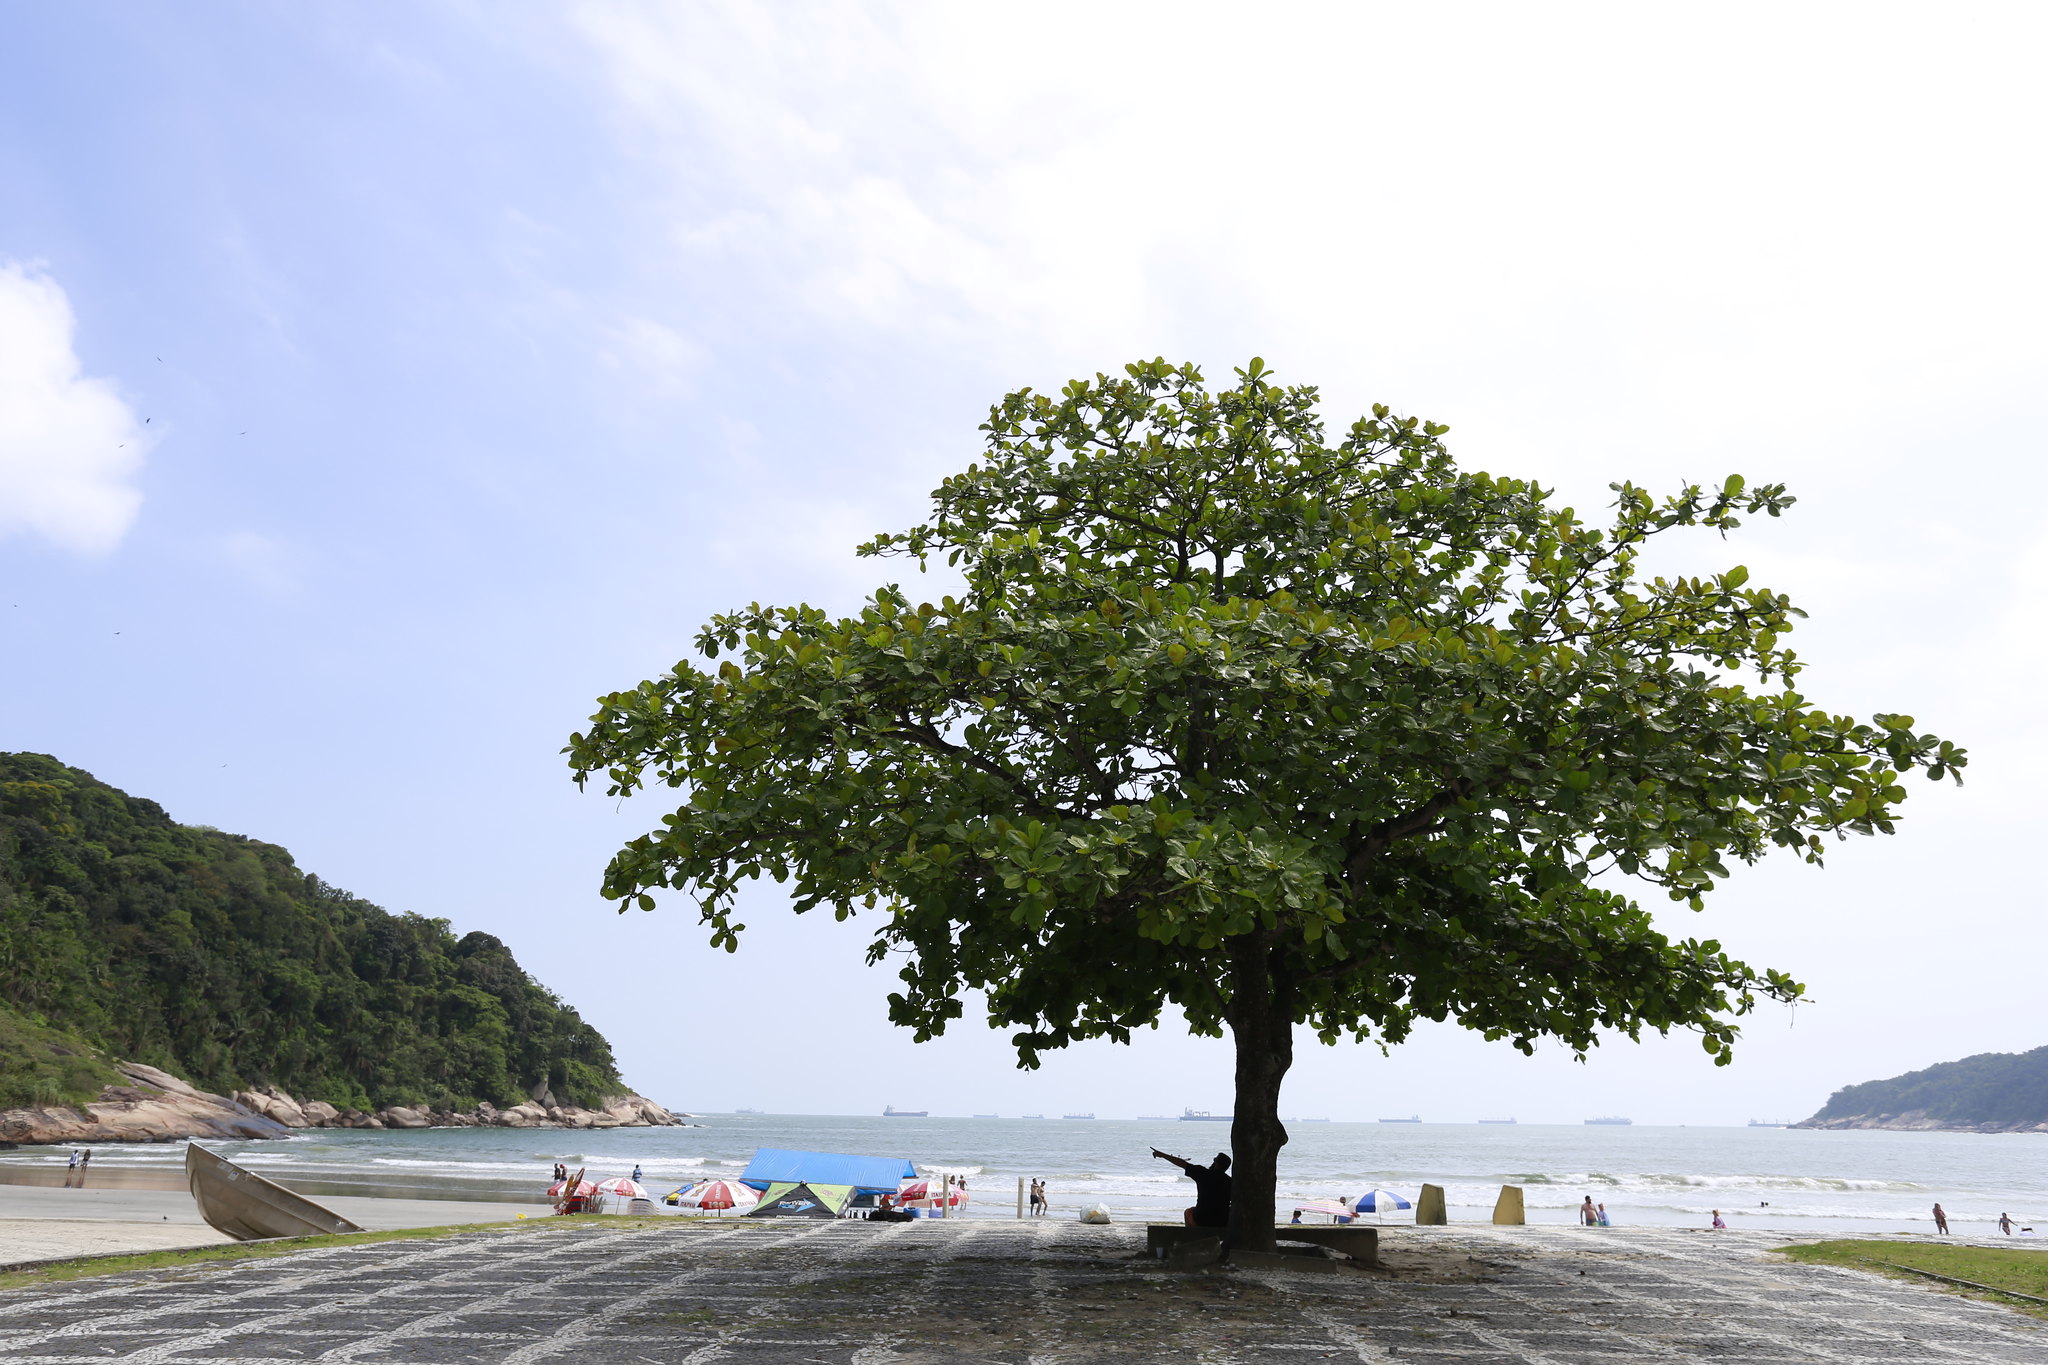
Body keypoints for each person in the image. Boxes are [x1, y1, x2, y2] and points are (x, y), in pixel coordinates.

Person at [1152, 1148, 1231, 1229]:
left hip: (1201, 1219)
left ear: (1217, 1163)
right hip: (1222, 1221)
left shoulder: (1203, 1173)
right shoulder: (1230, 1182)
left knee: (1188, 1212)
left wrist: (1162, 1155)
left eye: (1214, 1160)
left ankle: (1191, 1236)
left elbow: (1182, 1163)